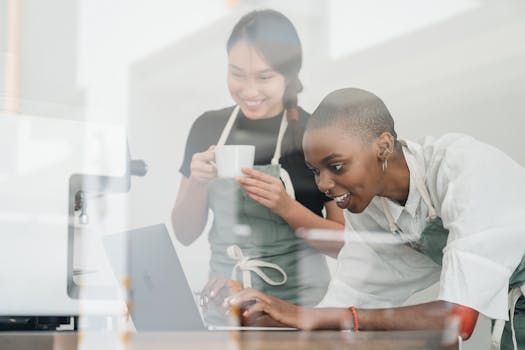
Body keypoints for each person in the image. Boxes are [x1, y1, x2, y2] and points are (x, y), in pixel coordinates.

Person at [226, 88, 525, 349]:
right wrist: (265, 315)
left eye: (337, 166)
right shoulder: (371, 209)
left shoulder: (462, 169)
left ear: (382, 146)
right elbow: (348, 302)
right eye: (316, 171)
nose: (323, 185)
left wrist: (317, 318)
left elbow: (458, 318)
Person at [171, 9, 344, 317]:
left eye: (264, 77)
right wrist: (197, 183)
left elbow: (344, 245)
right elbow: (184, 234)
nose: (249, 91)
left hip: (300, 315)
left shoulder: (318, 137)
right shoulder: (207, 129)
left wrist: (286, 207)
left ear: (289, 74)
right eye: (237, 74)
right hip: (226, 312)